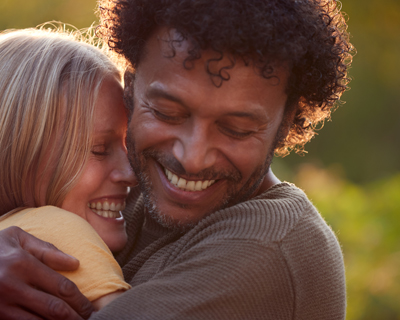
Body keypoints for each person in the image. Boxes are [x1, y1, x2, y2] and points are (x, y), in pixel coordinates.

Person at [0, 0, 354, 319]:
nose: (192, 157)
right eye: (167, 113)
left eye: (236, 129)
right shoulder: (128, 185)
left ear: (287, 122)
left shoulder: (266, 248)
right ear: (130, 91)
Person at [0, 28, 136, 312]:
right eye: (99, 150)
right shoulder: (58, 230)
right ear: (19, 154)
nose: (130, 174)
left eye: (128, 147)